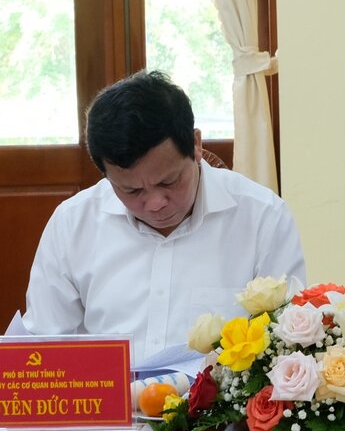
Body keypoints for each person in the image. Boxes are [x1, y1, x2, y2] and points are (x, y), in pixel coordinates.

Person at [23, 71, 306, 360]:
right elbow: (43, 348)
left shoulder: (262, 218)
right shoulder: (72, 225)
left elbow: (286, 344)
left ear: (196, 145)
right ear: (105, 175)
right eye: (132, 191)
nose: (155, 203)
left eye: (168, 182)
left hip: (217, 404)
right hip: (104, 403)